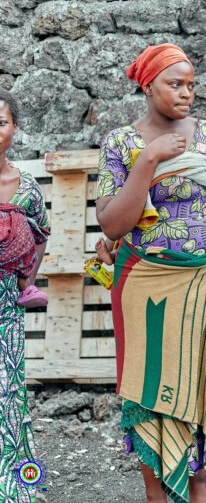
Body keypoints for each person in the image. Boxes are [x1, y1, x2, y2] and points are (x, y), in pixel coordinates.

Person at [95, 43, 206, 503]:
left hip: (205, 285)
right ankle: (156, 492)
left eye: (191, 85)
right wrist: (149, 160)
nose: (187, 94)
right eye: (175, 84)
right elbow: (112, 223)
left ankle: (200, 490)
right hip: (144, 287)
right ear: (148, 86)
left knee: (201, 387)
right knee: (148, 394)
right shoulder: (122, 143)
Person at [0, 89, 50, 503]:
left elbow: (41, 235)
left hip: (5, 308)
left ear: (14, 129)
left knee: (8, 395)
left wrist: (24, 281)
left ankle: (15, 488)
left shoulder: (27, 186)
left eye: (1, 121)